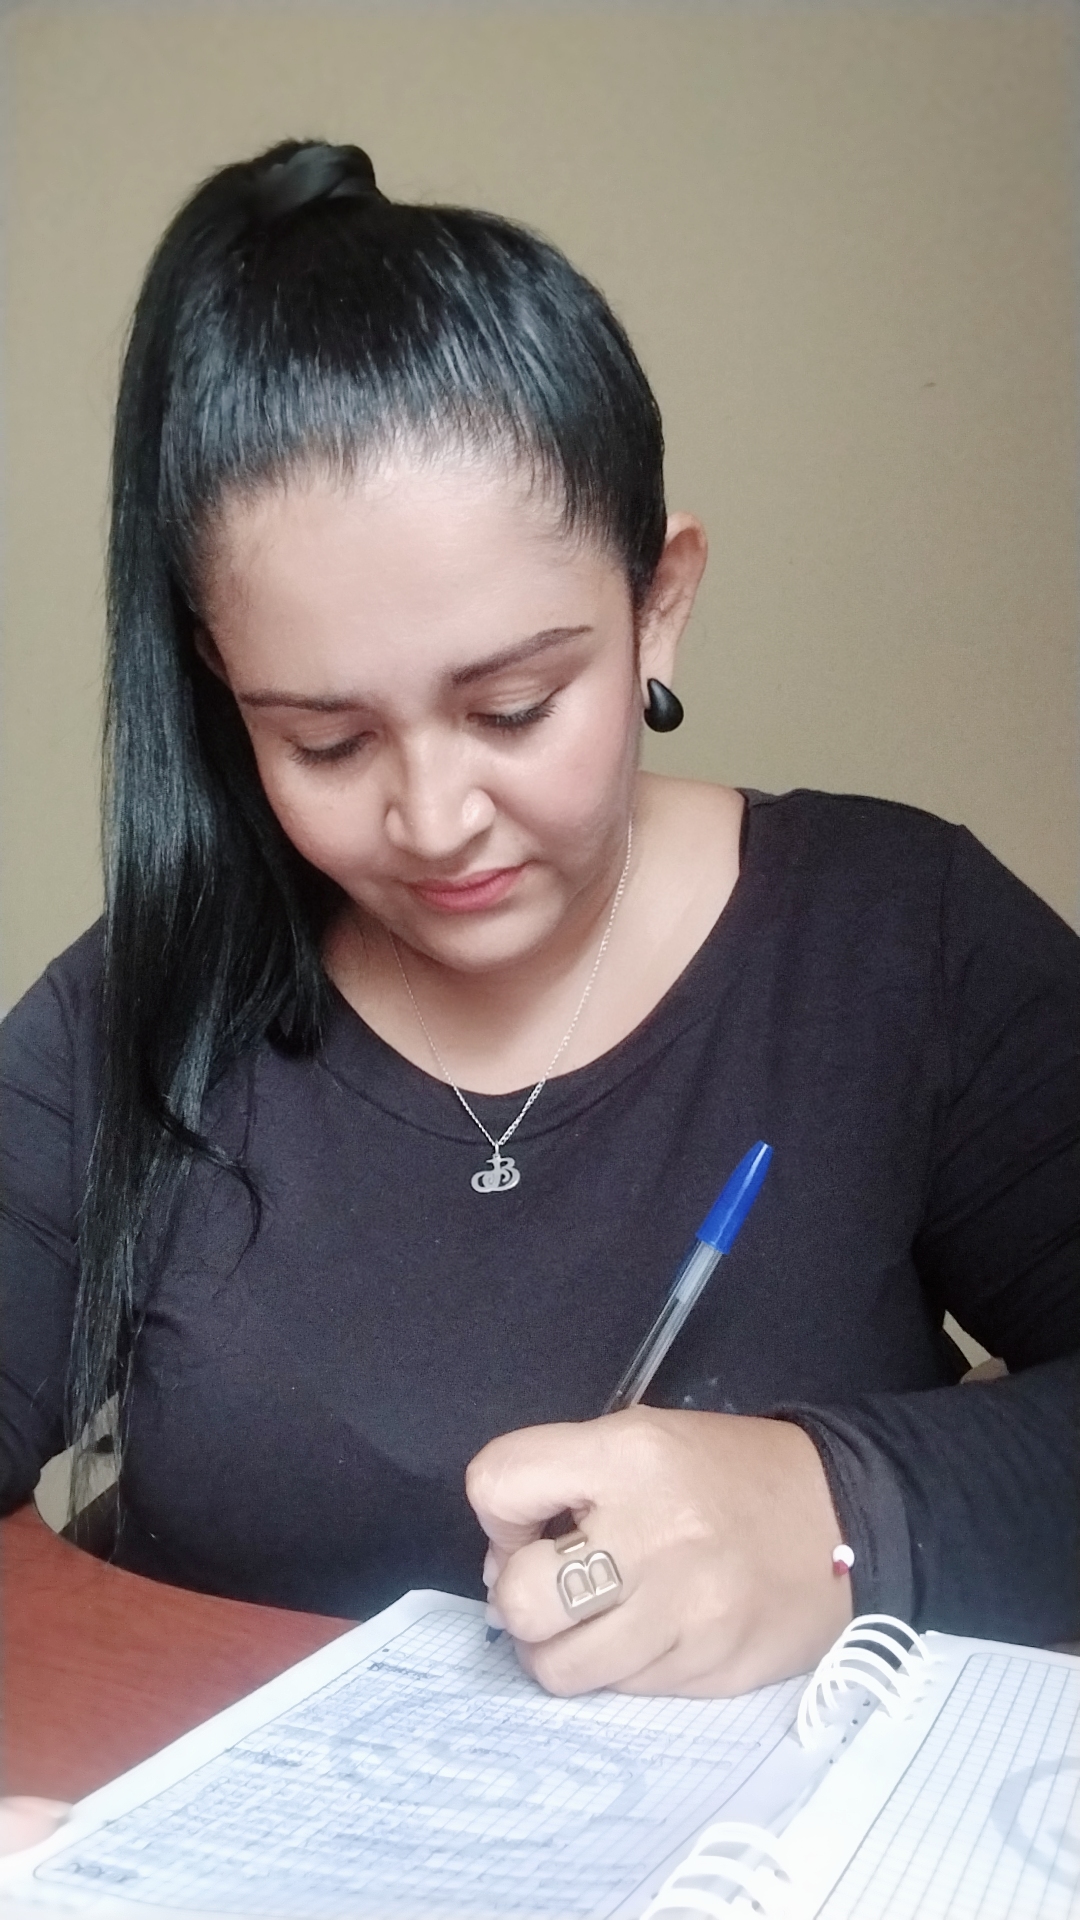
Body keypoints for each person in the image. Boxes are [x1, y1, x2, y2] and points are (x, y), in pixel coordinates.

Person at [1, 139, 1077, 1709]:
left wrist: (845, 1506)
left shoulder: (900, 940)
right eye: (325, 741)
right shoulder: (141, 1011)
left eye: (512, 707)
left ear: (660, 603)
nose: (435, 819)